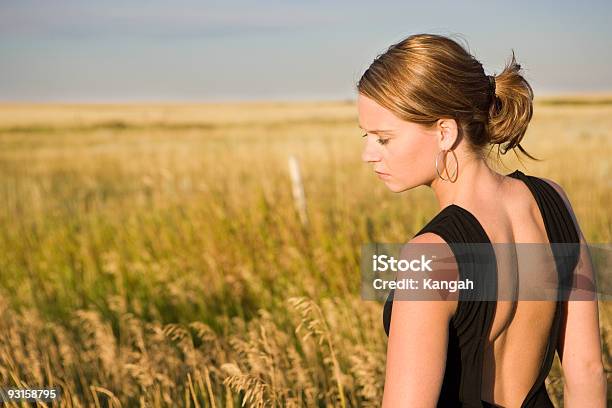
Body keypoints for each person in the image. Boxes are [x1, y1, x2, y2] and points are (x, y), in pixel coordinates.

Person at [356, 33, 606, 407]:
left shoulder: (426, 260)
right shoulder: (554, 200)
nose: (367, 155)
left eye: (383, 139)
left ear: (444, 132)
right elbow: (586, 372)